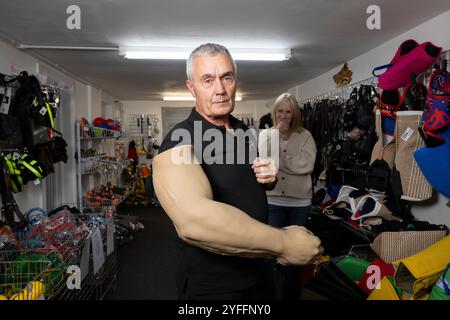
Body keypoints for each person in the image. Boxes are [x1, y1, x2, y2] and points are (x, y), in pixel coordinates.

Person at [152, 43, 322, 300]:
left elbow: (242, 183)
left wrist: (268, 178)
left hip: (259, 273)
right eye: (207, 80)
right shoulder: (180, 140)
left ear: (235, 81)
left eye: (226, 77)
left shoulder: (242, 130)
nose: (219, 89)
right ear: (191, 88)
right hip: (215, 287)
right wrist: (283, 243)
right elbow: (194, 221)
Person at [261, 92, 317, 300]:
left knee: (294, 255)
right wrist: (275, 139)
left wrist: (280, 162)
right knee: (270, 251)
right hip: (273, 199)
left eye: (288, 112)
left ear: (294, 114)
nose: (283, 116)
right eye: (280, 111)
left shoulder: (306, 136)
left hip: (299, 202)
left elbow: (307, 165)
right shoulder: (266, 135)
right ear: (274, 113)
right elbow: (264, 163)